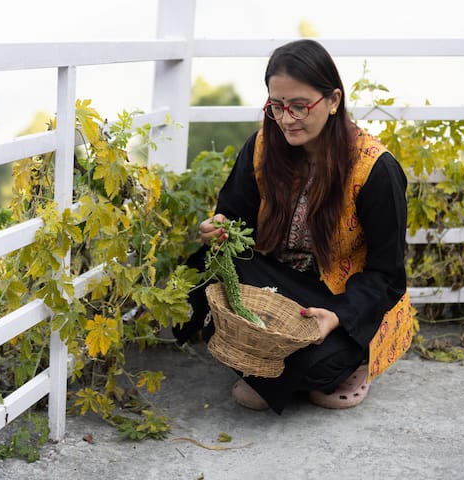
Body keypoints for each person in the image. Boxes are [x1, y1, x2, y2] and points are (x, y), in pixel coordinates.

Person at [174, 39, 413, 413]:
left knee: (322, 367)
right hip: (278, 282)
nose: (286, 119)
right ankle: (270, 364)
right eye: (277, 106)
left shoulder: (374, 170)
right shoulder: (263, 146)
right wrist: (220, 228)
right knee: (202, 277)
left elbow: (387, 276)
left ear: (333, 100)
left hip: (339, 297)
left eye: (300, 106)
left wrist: (336, 316)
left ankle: (302, 365)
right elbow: (235, 215)